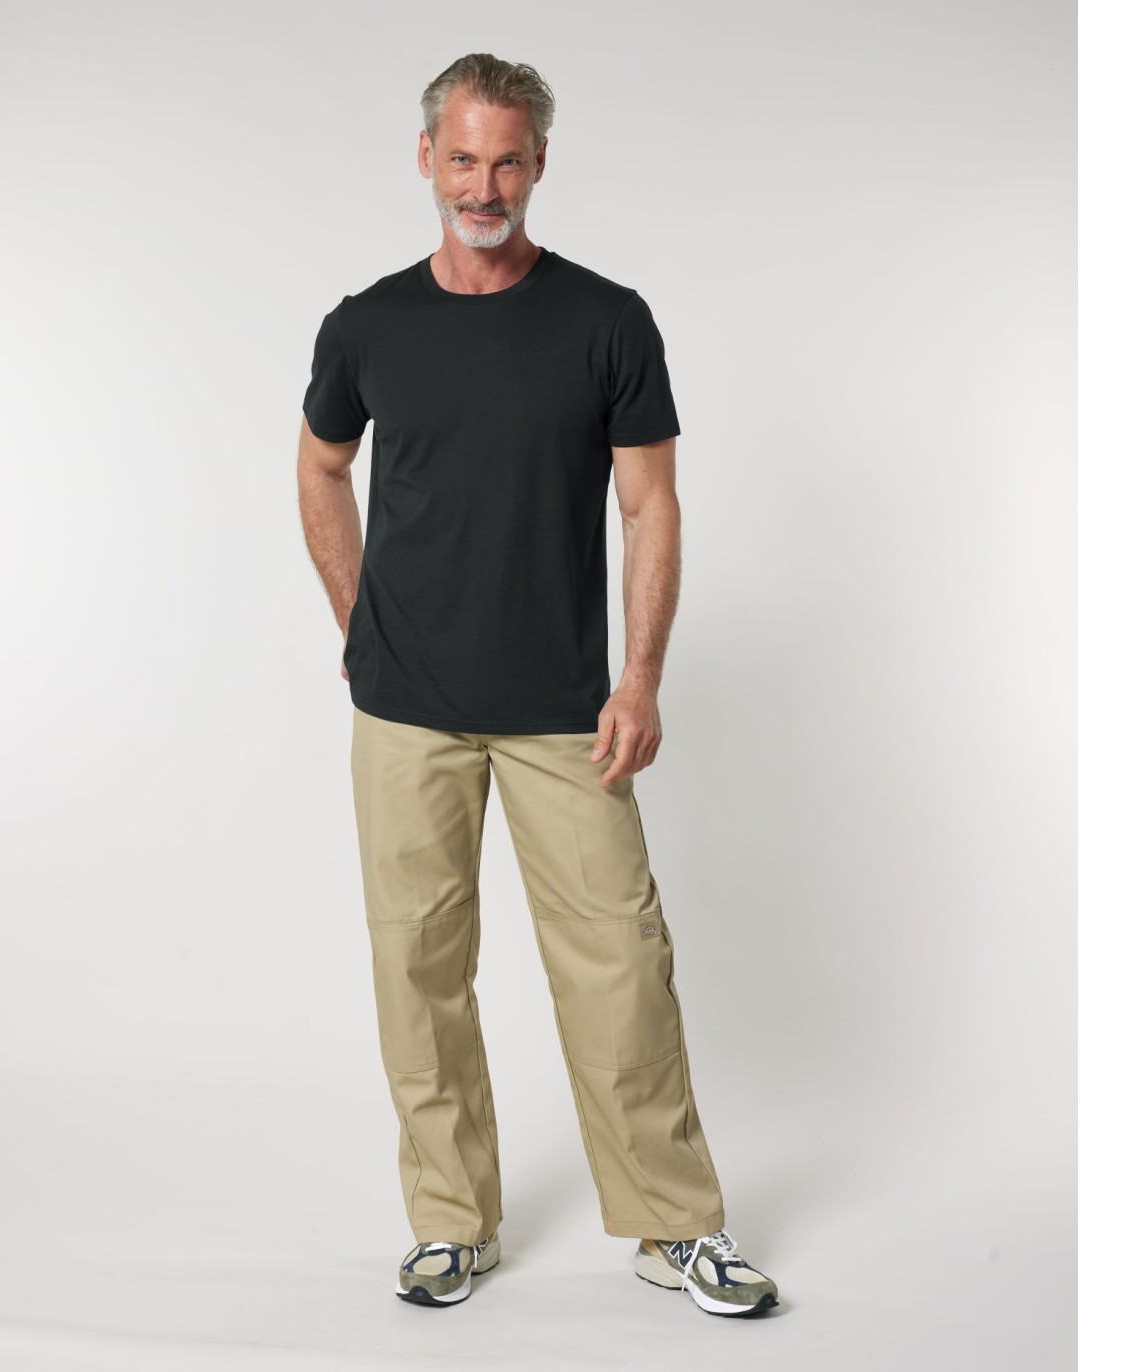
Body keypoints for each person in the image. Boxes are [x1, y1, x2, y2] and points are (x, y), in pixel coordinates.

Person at [296, 51, 780, 1319]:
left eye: (507, 160)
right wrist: (358, 620)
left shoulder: (605, 320)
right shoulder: (366, 325)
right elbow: (320, 466)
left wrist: (642, 676)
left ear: (540, 165)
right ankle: (451, 1223)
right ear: (426, 159)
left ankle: (674, 1224)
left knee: (620, 963)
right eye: (462, 157)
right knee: (417, 970)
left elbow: (650, 504)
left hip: (568, 710)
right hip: (405, 709)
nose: (483, 185)